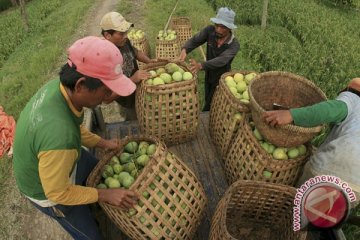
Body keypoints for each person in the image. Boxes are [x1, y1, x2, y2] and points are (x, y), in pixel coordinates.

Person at [12, 36, 139, 240]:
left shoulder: (59, 90)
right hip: (46, 191)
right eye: (106, 90)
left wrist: (103, 143)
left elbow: (73, 127)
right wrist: (104, 194)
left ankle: (93, 198)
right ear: (80, 85)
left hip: (55, 156)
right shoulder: (60, 138)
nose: (109, 97)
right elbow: (57, 193)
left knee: (99, 171)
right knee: (90, 236)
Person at [263, 78, 360, 207]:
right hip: (354, 189)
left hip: (327, 171)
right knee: (318, 220)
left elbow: (329, 110)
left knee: (295, 207)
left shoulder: (352, 98)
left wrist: (292, 115)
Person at [179, 7, 240, 111]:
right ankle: (208, 107)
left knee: (215, 100)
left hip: (222, 76)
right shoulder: (210, 31)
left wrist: (201, 65)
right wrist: (185, 49)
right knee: (208, 94)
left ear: (230, 28)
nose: (218, 30)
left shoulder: (234, 45)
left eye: (223, 27)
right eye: (217, 25)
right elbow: (195, 40)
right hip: (209, 72)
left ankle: (207, 112)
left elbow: (222, 60)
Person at [100, 12, 157, 120]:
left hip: (138, 92)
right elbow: (107, 99)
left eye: (126, 32)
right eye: (121, 33)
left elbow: (135, 52)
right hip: (126, 102)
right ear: (107, 35)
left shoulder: (123, 41)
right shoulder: (104, 58)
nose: (126, 36)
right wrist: (132, 80)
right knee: (135, 122)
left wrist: (149, 61)